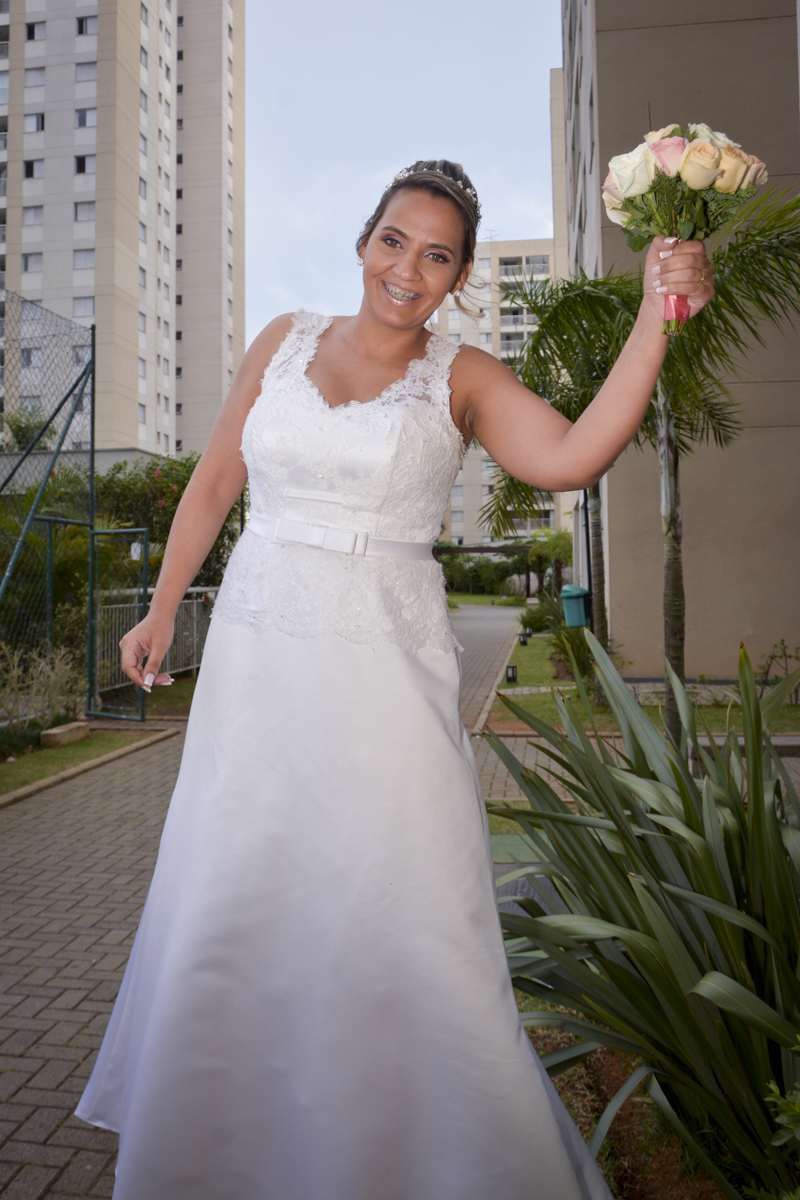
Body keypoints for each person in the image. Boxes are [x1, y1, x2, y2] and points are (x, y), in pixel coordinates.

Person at [76, 160, 714, 1199]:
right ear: (363, 240)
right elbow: (216, 480)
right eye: (393, 241)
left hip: (384, 675)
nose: (406, 270)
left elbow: (569, 458)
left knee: (397, 905)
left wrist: (655, 315)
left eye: (436, 255)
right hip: (256, 662)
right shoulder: (283, 340)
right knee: (238, 887)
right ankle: (224, 1150)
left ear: (458, 276)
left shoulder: (463, 376)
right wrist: (160, 605)